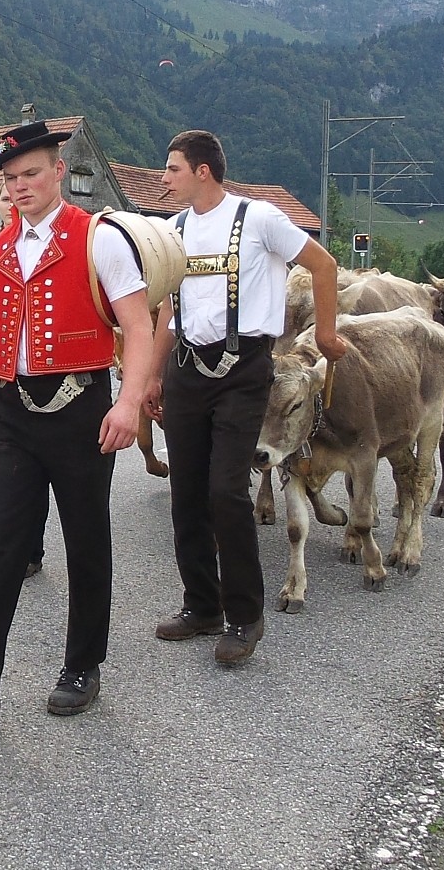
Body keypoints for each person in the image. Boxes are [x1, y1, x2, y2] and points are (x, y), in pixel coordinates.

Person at [0, 117, 156, 738]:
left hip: (82, 406)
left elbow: (138, 327)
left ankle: (82, 666)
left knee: (85, 537)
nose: (20, 186)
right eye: (10, 178)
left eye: (31, 174)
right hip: (15, 414)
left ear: (57, 173)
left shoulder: (98, 238)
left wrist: (128, 404)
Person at [142, 131, 347, 665]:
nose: (164, 179)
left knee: (225, 492)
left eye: (172, 169)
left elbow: (323, 265)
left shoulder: (260, 220)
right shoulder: (174, 231)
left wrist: (325, 335)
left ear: (202, 171)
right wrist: (152, 377)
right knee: (186, 490)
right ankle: (200, 605)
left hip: (242, 370)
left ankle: (244, 616)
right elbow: (168, 311)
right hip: (187, 368)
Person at [0, 185, 45, 581]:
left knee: (32, 462)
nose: (11, 202)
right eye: (3, 197)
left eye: (16, 195)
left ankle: (30, 546)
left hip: (37, 368)